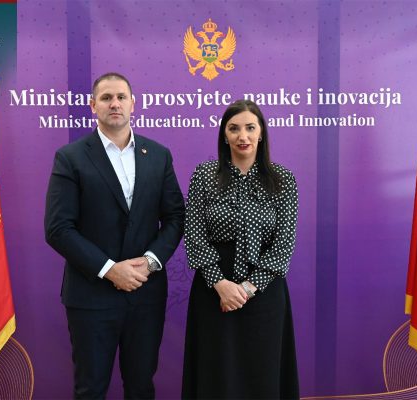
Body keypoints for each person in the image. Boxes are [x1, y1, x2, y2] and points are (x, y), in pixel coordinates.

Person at [44, 72, 185, 399]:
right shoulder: (71, 157)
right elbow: (58, 228)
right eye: (106, 98)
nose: (115, 103)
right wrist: (109, 269)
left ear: (133, 103)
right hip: (91, 296)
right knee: (90, 389)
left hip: (145, 295)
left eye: (121, 97)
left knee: (141, 388)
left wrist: (150, 262)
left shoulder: (159, 155)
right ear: (93, 105)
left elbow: (176, 217)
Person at [182, 99, 299, 399]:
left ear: (261, 133)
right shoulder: (204, 175)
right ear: (224, 135)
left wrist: (246, 289)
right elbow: (194, 235)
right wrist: (220, 285)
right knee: (215, 374)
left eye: (250, 128)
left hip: (264, 292)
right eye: (234, 129)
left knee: (262, 373)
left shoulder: (283, 180)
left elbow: (283, 246)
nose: (242, 136)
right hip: (213, 291)